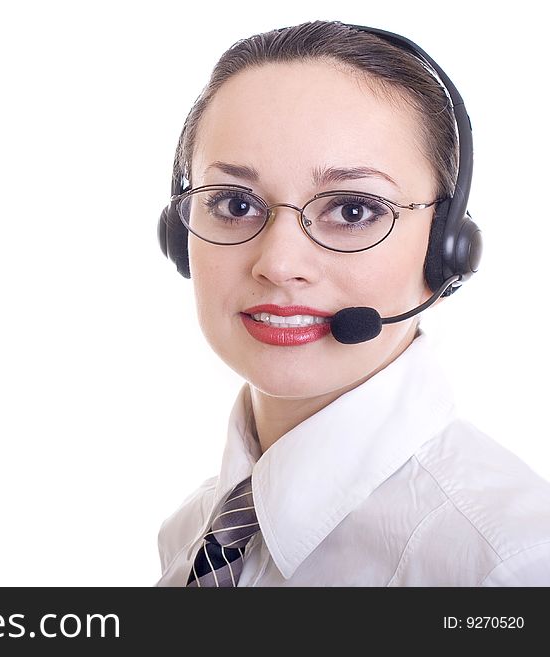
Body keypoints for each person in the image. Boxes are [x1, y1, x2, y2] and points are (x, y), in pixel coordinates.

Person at [155, 20, 550, 586]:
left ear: (445, 251)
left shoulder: (507, 566)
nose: (278, 263)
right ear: (179, 235)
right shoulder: (191, 533)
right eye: (235, 204)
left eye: (353, 210)